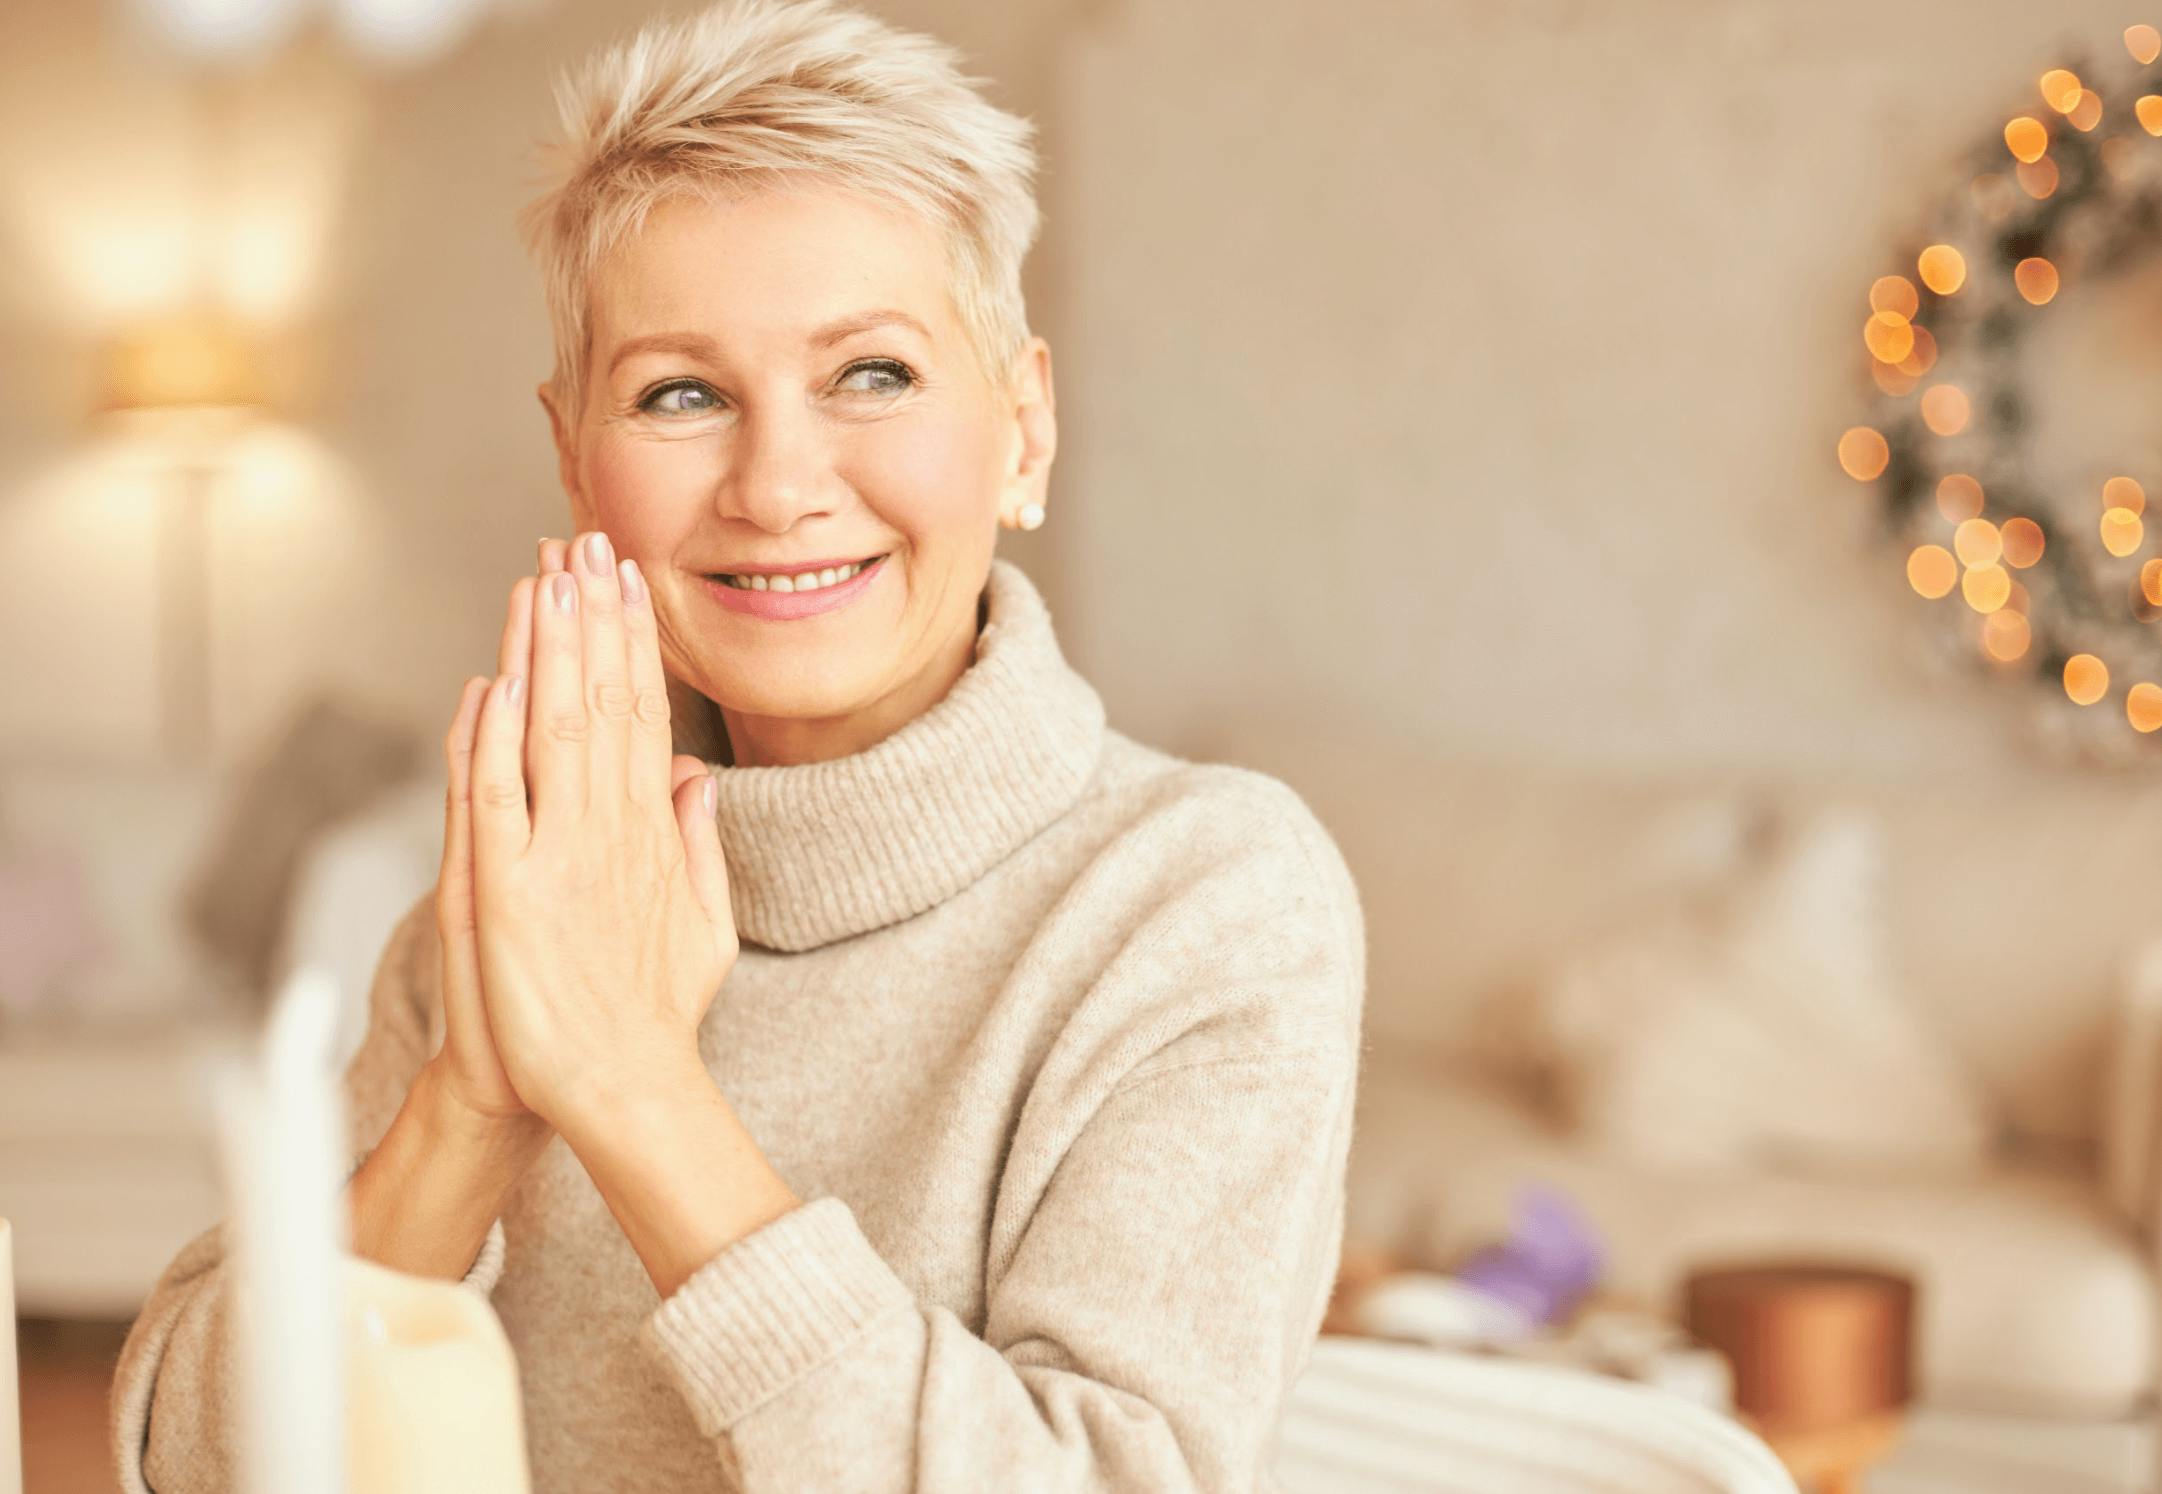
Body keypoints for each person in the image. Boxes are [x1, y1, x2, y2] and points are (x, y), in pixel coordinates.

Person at [110, 1, 1366, 1487]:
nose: (776, 485)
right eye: (681, 394)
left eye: (873, 372)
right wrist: (475, 1094)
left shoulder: (1205, 895)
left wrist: (636, 1089)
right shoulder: (535, 885)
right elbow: (184, 1463)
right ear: (576, 456)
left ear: (1021, 428)